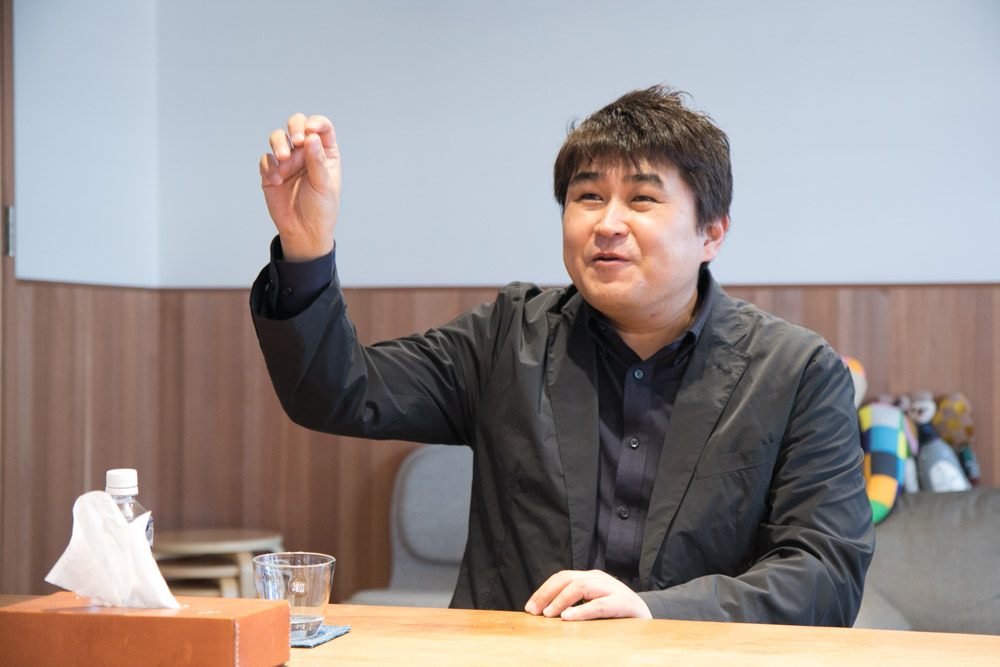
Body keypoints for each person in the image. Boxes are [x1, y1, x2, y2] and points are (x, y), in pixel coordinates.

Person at [250, 86, 875, 625]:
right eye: (588, 197)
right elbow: (336, 391)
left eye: (642, 199)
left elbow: (826, 573)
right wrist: (308, 247)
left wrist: (657, 610)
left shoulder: (796, 373)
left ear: (711, 232)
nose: (608, 223)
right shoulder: (507, 338)